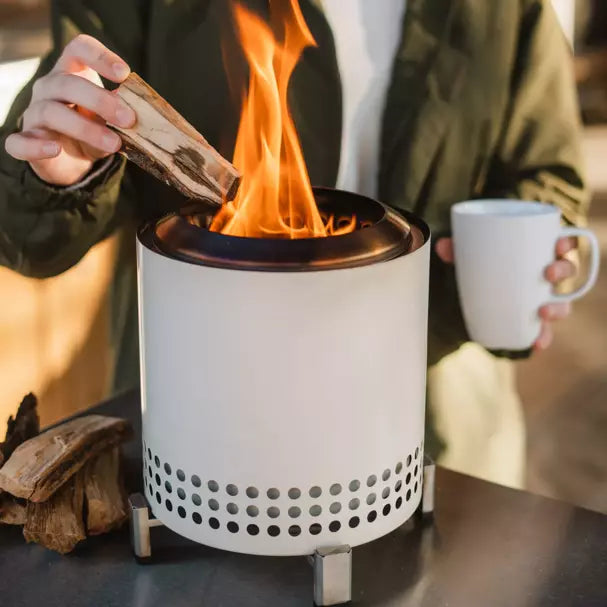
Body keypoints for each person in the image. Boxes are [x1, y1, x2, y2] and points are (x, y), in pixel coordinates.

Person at [0, 0, 588, 488]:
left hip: (434, 433)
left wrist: (527, 258)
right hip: (208, 437)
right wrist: (62, 169)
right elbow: (24, 232)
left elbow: (546, 176)